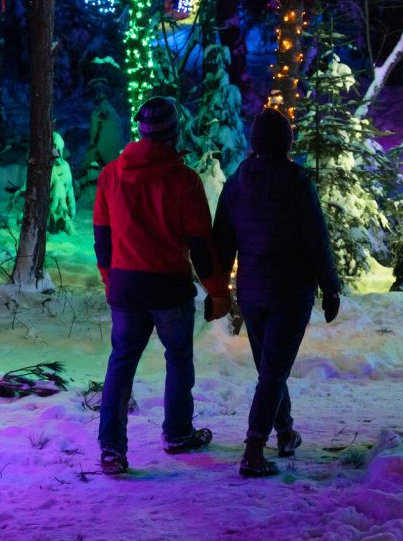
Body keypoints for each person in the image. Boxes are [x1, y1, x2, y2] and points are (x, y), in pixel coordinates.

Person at [94, 96, 232, 476]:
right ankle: (177, 433)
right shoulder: (183, 180)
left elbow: (102, 238)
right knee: (178, 361)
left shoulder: (110, 175)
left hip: (126, 285)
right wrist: (217, 290)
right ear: (174, 133)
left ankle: (111, 450)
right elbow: (201, 243)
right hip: (170, 287)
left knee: (121, 364)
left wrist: (110, 279)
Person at [213, 107, 341, 478]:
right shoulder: (296, 181)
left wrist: (219, 287)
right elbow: (317, 239)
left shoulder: (238, 181)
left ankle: (285, 433)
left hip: (252, 291)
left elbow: (223, 238)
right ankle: (254, 450)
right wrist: (331, 288)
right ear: (286, 142)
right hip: (290, 291)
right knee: (272, 371)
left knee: (271, 366)